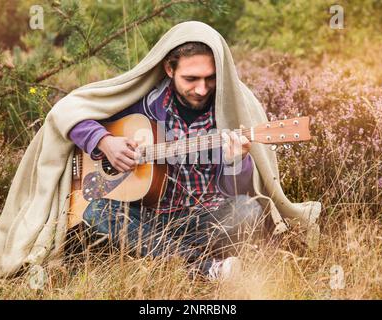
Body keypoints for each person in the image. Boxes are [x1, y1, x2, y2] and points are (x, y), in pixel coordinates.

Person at [68, 42, 265, 280]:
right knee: (98, 211)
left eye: (210, 78)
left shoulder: (225, 113)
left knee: (248, 210)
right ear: (170, 70)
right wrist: (105, 142)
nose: (202, 89)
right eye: (191, 79)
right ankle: (205, 268)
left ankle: (155, 254)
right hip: (144, 217)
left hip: (200, 219)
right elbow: (72, 114)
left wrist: (236, 161)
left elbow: (237, 190)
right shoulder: (144, 104)